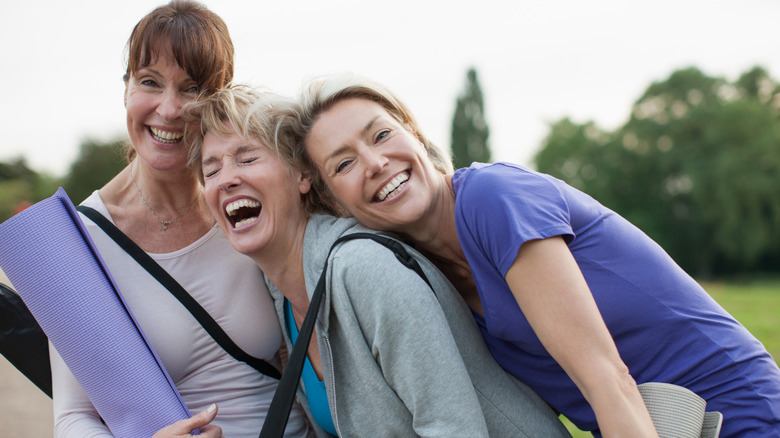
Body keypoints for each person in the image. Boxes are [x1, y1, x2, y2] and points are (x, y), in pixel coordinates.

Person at [289, 73, 780, 437]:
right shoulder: (418, 273)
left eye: (381, 135)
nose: (376, 163)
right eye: (345, 162)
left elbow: (607, 378)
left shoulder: (493, 199)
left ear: (415, 135)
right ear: (332, 199)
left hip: (739, 415)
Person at [183, 84, 572, 437]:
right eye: (211, 170)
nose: (225, 180)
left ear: (302, 175)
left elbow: (454, 429)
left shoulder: (364, 269)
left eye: (246, 159)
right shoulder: (283, 298)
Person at [49, 2, 315, 437]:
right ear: (127, 90)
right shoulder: (78, 242)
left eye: (191, 88)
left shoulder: (248, 201)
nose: (169, 110)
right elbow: (73, 418)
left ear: (220, 97)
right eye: (149, 82)